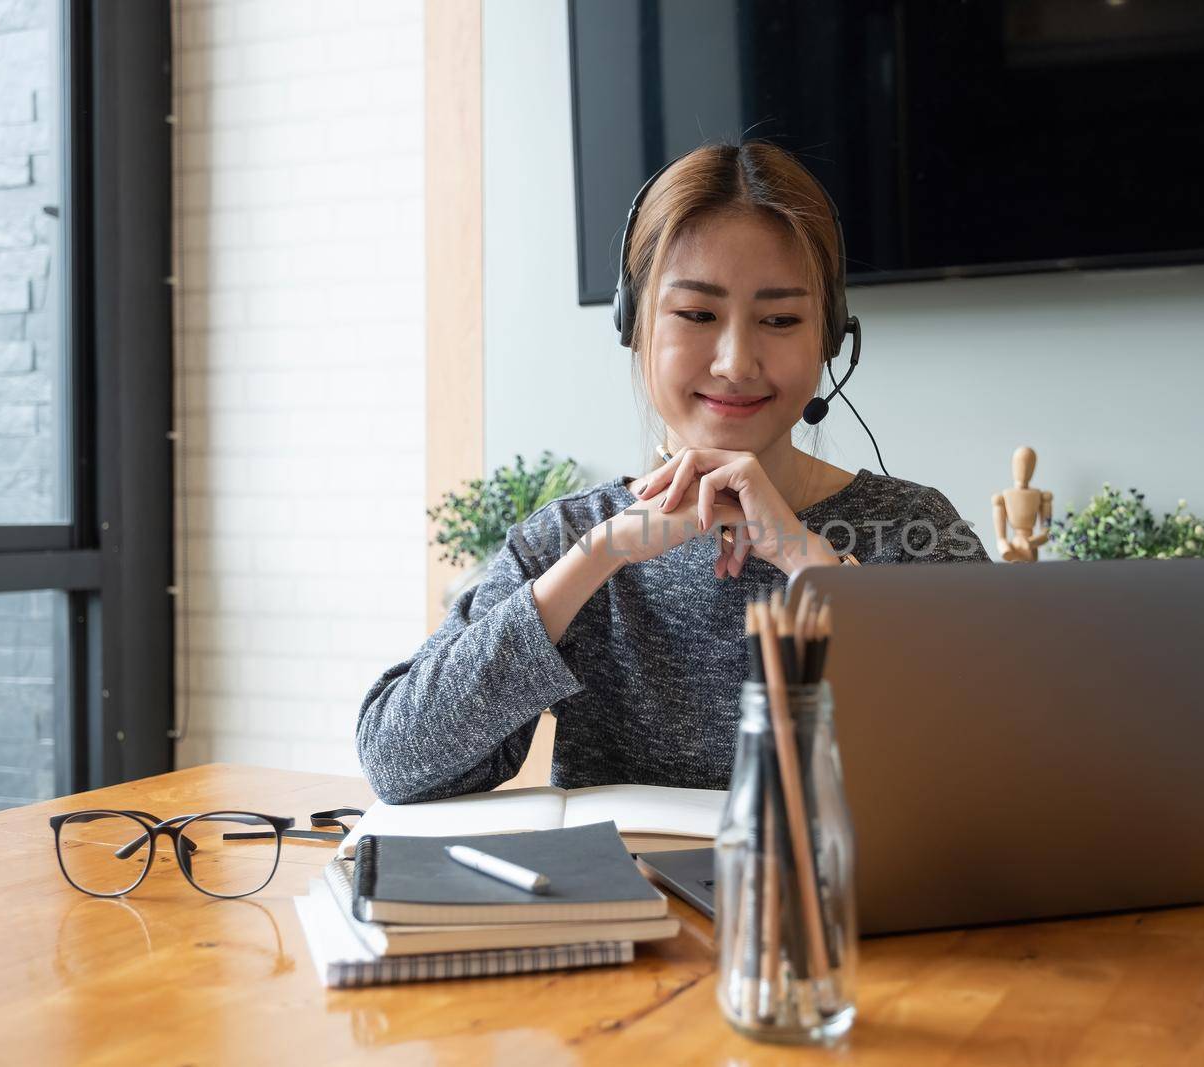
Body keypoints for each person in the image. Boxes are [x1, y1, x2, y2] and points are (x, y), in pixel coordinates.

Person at [356, 139, 989, 804]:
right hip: (628, 907)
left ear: (829, 337)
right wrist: (597, 557)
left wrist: (810, 563)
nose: (736, 361)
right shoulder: (568, 542)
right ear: (634, 323)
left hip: (842, 908)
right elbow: (397, 761)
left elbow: (999, 754)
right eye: (696, 314)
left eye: (779, 318)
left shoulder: (914, 530)